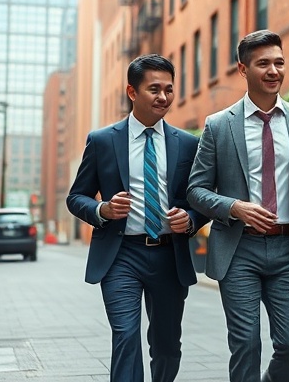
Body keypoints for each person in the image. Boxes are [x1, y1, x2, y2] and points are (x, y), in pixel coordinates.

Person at [188, 30, 289, 382]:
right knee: (246, 345)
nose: (274, 71)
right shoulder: (219, 125)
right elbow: (196, 190)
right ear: (243, 69)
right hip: (239, 248)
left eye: (279, 62)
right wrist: (234, 206)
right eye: (263, 64)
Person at [66, 54, 208, 382]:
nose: (163, 97)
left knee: (167, 345)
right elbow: (76, 197)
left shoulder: (188, 144)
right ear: (133, 92)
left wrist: (189, 219)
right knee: (125, 337)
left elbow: (200, 199)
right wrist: (102, 210)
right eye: (154, 89)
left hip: (168, 256)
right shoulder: (102, 141)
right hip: (120, 256)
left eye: (169, 90)